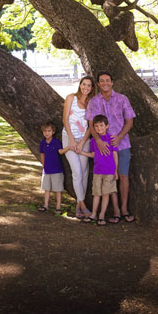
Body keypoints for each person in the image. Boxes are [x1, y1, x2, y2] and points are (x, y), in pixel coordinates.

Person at [82, 70, 136, 222]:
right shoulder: (94, 102)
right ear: (98, 84)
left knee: (123, 176)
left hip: (122, 143)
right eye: (102, 81)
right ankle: (116, 211)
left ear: (112, 82)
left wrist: (119, 137)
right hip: (103, 147)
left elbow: (129, 121)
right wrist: (98, 140)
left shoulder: (122, 99)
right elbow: (91, 124)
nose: (105, 83)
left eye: (108, 80)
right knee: (109, 177)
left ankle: (124, 208)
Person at [62, 75, 96, 220]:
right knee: (76, 171)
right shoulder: (70, 98)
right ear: (80, 85)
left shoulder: (92, 103)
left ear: (92, 88)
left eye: (89, 85)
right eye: (84, 84)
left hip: (84, 140)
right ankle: (82, 205)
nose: (86, 87)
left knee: (84, 171)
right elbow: (65, 119)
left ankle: (78, 205)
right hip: (68, 138)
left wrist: (82, 142)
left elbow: (90, 125)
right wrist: (72, 141)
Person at [78, 114, 120, 225]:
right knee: (96, 193)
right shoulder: (93, 141)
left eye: (101, 125)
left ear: (107, 126)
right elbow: (93, 155)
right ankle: (94, 214)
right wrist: (82, 152)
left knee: (106, 194)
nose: (99, 128)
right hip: (97, 171)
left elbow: (115, 155)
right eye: (96, 126)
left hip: (109, 171)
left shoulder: (111, 139)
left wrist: (115, 171)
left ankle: (102, 215)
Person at [38, 121, 67, 213]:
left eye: (49, 131)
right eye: (45, 131)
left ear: (53, 132)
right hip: (46, 170)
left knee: (58, 190)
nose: (47, 133)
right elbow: (42, 154)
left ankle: (58, 207)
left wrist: (69, 147)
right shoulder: (42, 143)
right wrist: (44, 165)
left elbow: (60, 152)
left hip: (57, 170)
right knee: (46, 189)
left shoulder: (56, 142)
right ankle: (45, 205)